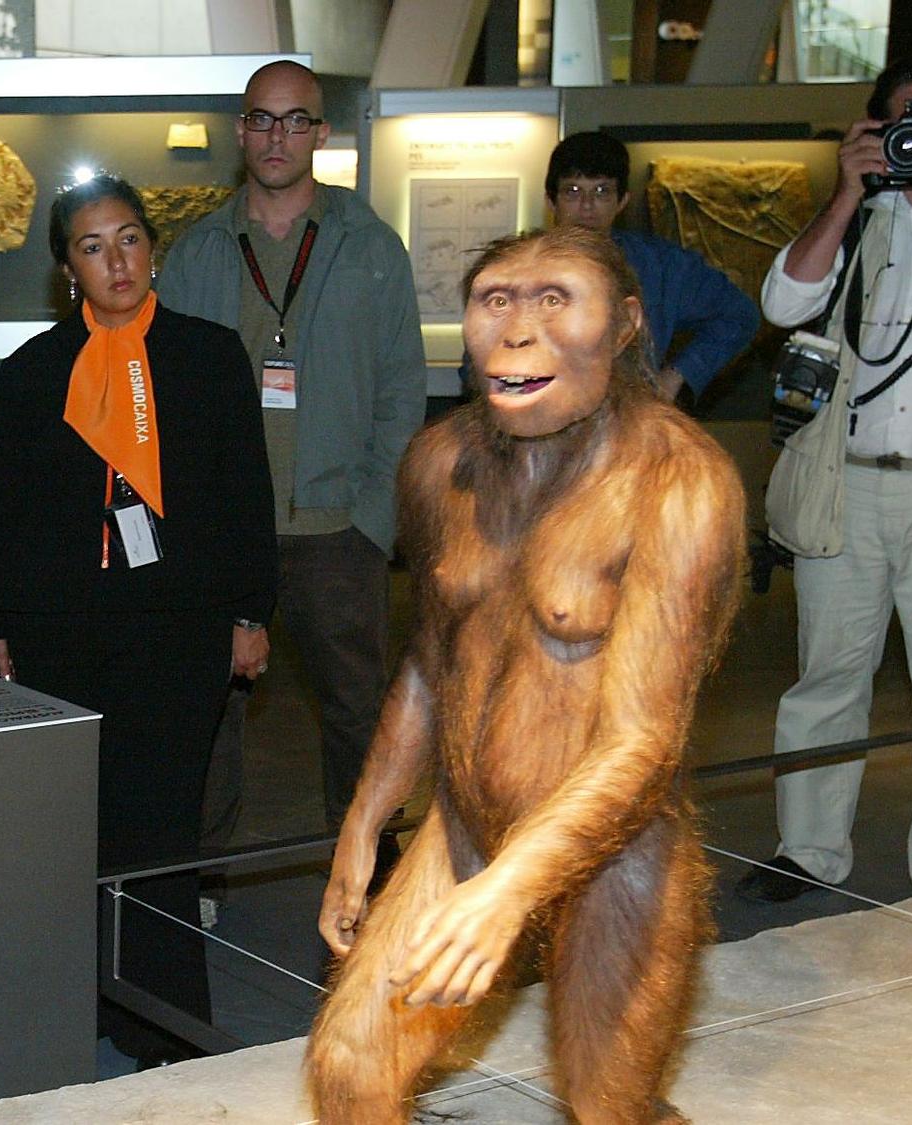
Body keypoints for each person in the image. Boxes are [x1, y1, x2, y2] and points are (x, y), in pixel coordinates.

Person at [306, 223, 744, 1125]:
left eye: (555, 301)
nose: (516, 332)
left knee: (608, 1104)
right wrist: (364, 821)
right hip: (465, 826)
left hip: (618, 850)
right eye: (496, 300)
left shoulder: (680, 481)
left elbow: (643, 740)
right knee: (349, 1069)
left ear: (625, 325)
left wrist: (510, 891)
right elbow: (434, 663)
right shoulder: (440, 464)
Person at [0, 174, 276, 1066]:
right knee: (75, 827)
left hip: (177, 629)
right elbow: (2, 506)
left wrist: (250, 611)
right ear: (69, 266)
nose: (118, 261)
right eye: (94, 246)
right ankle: (79, 1006)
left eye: (131, 239)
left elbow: (242, 498)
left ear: (153, 248)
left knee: (158, 831)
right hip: (60, 632)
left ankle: (166, 1026)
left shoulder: (208, 355)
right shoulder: (33, 370)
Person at [156, 60, 425, 865]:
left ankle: (371, 874)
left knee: (357, 714)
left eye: (295, 120)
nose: (278, 137)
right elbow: (166, 396)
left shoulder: (371, 247)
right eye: (263, 120)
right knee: (207, 715)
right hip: (223, 533)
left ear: (321, 133)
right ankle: (195, 874)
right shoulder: (199, 249)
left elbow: (403, 389)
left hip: (337, 529)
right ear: (240, 131)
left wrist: (375, 521)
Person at [741, 55, 912, 903]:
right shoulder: (858, 216)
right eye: (909, 120)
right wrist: (848, 194)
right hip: (848, 485)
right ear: (875, 126)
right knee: (827, 675)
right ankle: (807, 848)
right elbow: (781, 302)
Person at [544, 130, 759, 400]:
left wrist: (677, 375)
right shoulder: (519, 270)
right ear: (551, 200)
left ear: (622, 201)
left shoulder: (661, 266)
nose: (587, 206)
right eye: (573, 192)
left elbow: (739, 315)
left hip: (629, 418)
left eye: (602, 191)